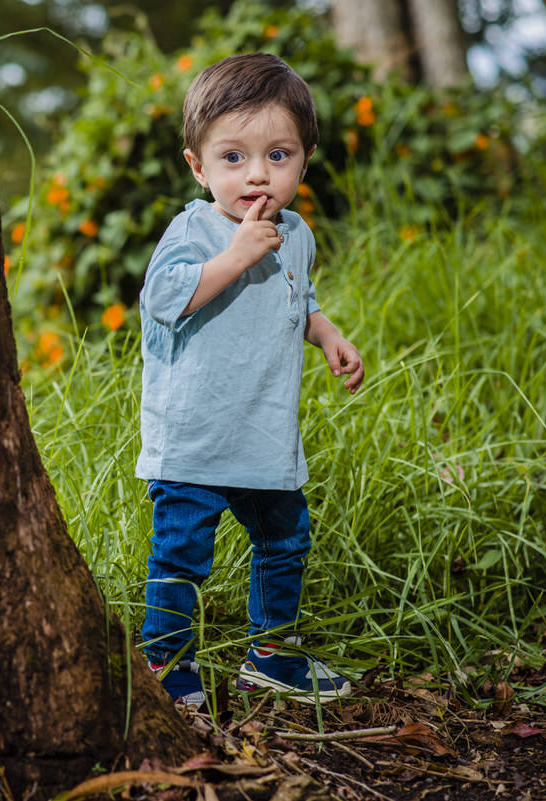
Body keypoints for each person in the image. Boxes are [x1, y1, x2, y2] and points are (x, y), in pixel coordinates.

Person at [136, 53, 364, 708]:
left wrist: (328, 335)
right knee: (181, 554)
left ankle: (271, 655)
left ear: (304, 159)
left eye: (278, 154)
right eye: (233, 157)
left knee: (286, 538)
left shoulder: (295, 234)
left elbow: (299, 299)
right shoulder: (196, 229)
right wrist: (235, 255)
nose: (257, 173)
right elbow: (163, 298)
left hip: (263, 434)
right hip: (196, 435)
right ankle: (168, 662)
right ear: (198, 166)